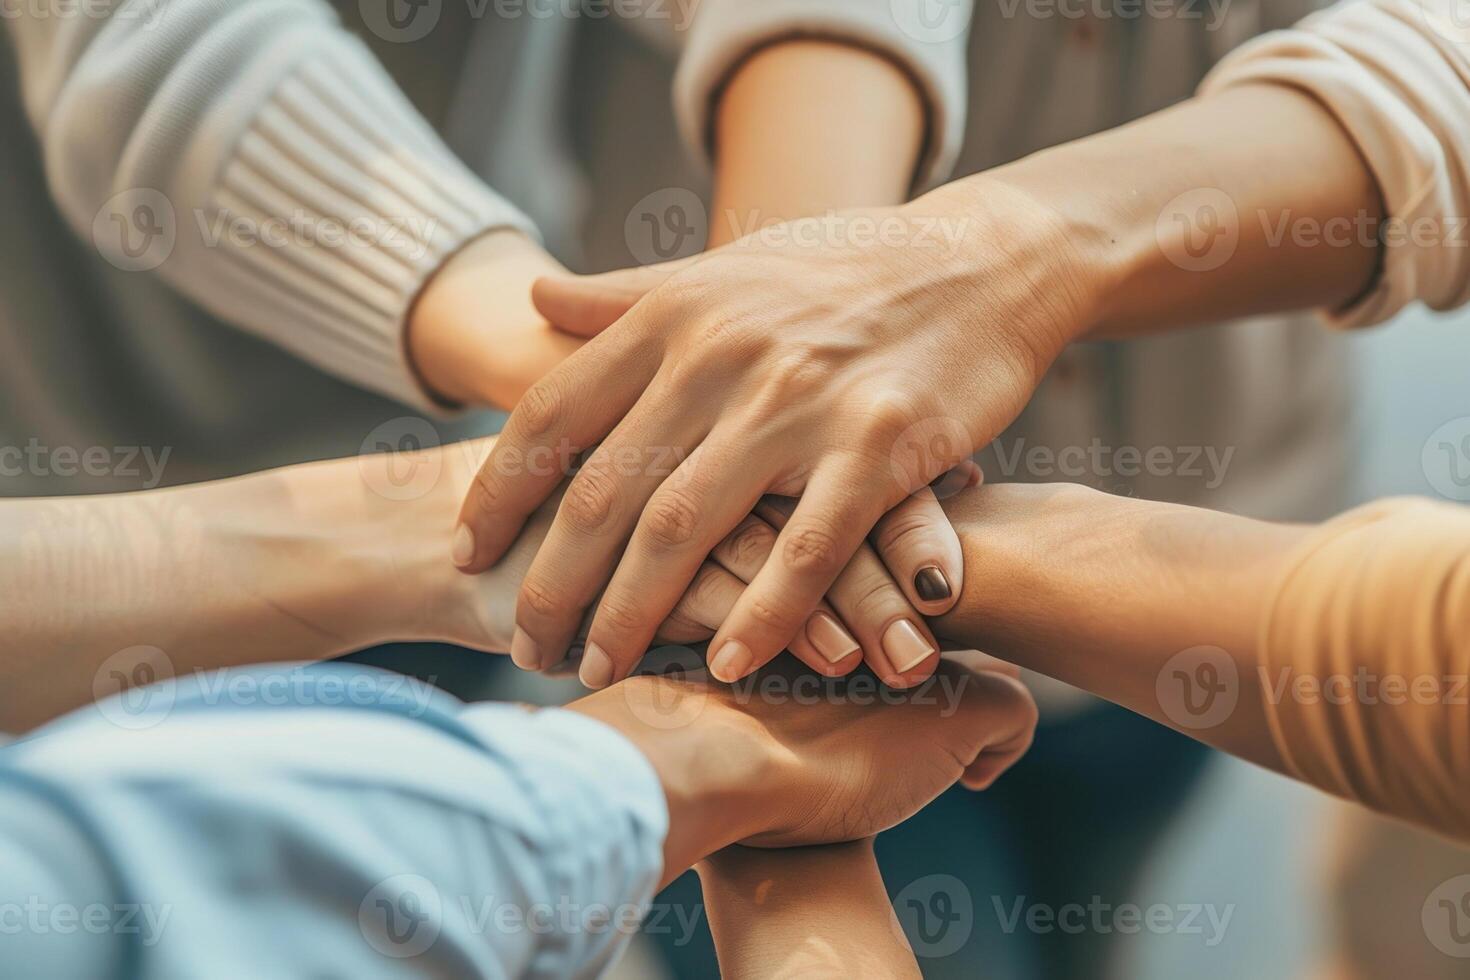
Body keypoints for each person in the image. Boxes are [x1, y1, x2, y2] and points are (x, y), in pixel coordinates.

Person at [0, 0, 971, 681]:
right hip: (80, 497)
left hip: (479, 506)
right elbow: (154, 40)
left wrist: (767, 406)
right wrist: (694, 417)